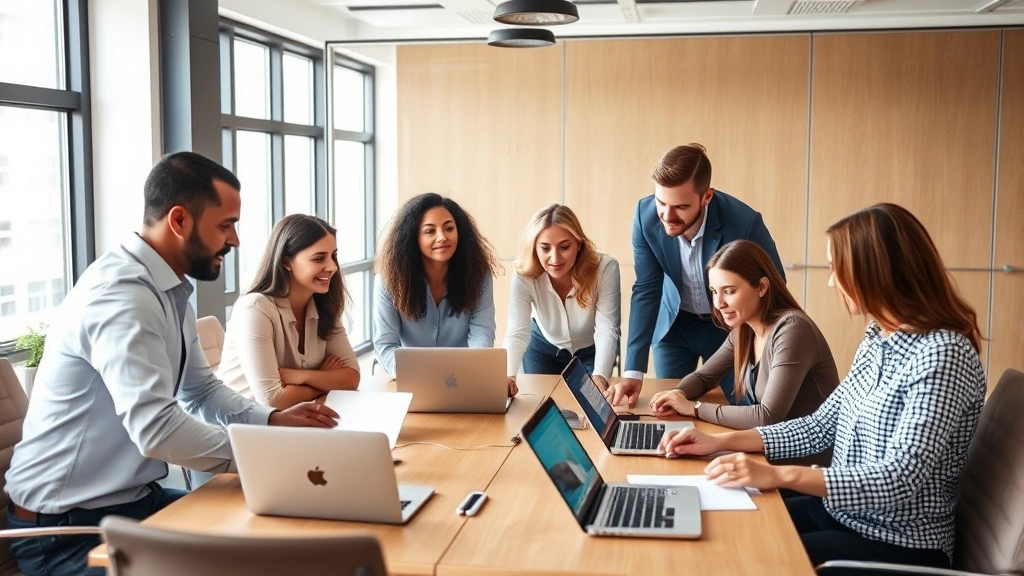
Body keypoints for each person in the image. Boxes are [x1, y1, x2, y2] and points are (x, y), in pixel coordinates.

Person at [4, 152, 338, 576]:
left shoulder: (168, 287)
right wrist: (264, 454)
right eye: (225, 225)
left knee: (282, 539)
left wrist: (273, 421)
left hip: (133, 504)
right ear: (179, 221)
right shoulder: (122, 296)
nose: (235, 240)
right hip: (64, 533)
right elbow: (156, 428)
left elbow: (199, 391)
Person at [658, 203, 986, 572]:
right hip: (841, 513)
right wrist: (719, 443)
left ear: (874, 272)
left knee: (747, 558)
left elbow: (900, 478)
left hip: (895, 541)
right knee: (728, 529)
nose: (831, 281)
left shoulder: (944, 354)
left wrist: (779, 475)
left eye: (836, 268)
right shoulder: (878, 336)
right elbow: (820, 425)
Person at [607, 143, 785, 409]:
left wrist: (763, 351)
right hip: (675, 327)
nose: (667, 216)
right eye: (661, 202)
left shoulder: (744, 224)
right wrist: (633, 371)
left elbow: (775, 287)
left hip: (730, 330)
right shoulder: (645, 217)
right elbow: (647, 288)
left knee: (741, 410)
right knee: (669, 408)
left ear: (707, 197)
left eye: (680, 206)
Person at [649, 240, 839, 431]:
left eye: (729, 291)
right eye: (714, 292)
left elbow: (767, 417)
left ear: (762, 287)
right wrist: (677, 394)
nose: (718, 303)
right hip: (770, 448)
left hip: (805, 458)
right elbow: (705, 377)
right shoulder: (744, 330)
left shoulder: (792, 330)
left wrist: (694, 408)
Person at [218, 214, 360, 409]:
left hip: (291, 423)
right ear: (286, 262)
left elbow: (351, 377)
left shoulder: (323, 304)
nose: (332, 267)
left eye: (333, 256)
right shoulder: (255, 309)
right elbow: (273, 400)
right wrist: (323, 380)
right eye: (319, 258)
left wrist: (302, 377)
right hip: (242, 431)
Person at [373, 193, 504, 389]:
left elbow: (482, 333)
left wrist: (471, 372)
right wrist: (410, 375)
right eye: (429, 231)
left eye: (449, 228)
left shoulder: (478, 275)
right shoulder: (389, 280)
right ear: (412, 236)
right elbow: (385, 343)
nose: (442, 237)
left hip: (462, 380)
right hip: (409, 380)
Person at [504, 204, 621, 393]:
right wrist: (508, 376)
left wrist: (600, 375)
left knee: (591, 403)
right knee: (540, 405)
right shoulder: (524, 274)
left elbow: (607, 328)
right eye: (545, 248)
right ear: (534, 247)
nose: (555, 258)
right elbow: (517, 331)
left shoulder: (605, 268)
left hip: (590, 350)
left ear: (579, 244)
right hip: (542, 347)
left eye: (564, 247)